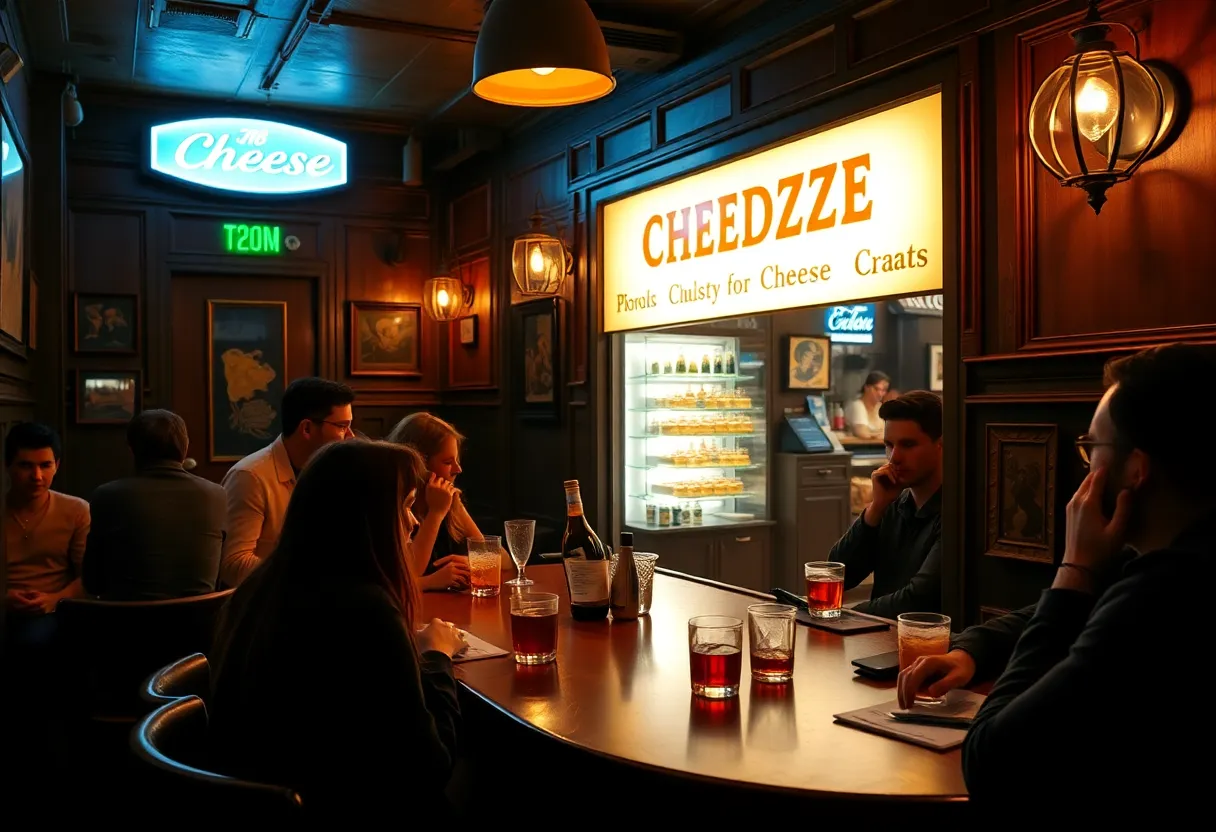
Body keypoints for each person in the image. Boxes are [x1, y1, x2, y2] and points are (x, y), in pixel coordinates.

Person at [962, 343, 1216, 809]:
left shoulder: (1162, 594)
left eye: (1093, 447)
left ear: (1136, 469)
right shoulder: (1174, 559)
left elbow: (990, 760)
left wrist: (1074, 567)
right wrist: (973, 648)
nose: (1088, 465)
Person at [209, 439, 465, 818]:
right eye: (406, 506)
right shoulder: (367, 609)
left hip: (255, 805)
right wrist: (437, 656)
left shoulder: (262, 586)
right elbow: (429, 766)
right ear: (366, 517)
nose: (413, 522)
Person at [219, 377, 355, 588]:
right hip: (265, 604)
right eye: (342, 426)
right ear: (307, 428)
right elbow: (233, 566)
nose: (350, 436)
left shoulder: (332, 472)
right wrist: (308, 574)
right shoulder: (249, 477)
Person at [82, 409, 226, 601]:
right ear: (185, 448)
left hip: (123, 618)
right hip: (200, 617)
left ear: (132, 450)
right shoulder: (216, 495)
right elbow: (218, 577)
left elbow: (93, 583)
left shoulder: (107, 496)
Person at [828, 391, 942, 618]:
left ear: (941, 445)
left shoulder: (958, 512)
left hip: (929, 638)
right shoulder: (893, 504)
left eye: (908, 444)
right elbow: (838, 575)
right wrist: (876, 508)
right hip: (879, 635)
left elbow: (918, 599)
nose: (894, 457)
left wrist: (846, 617)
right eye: (889, 445)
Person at [3, 423, 90, 647]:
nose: (37, 476)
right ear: (8, 466)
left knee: (34, 638)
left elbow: (89, 577)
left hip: (54, 609)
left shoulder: (76, 510)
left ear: (56, 465)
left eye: (45, 465)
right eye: (25, 466)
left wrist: (54, 599)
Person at [386, 413, 478, 593]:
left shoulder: (450, 499)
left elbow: (503, 560)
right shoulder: (393, 505)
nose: (458, 469)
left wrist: (474, 563)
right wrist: (436, 513)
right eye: (447, 462)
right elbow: (406, 575)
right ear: (419, 464)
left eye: (457, 460)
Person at [845, 371, 890, 439]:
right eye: (876, 389)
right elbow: (862, 433)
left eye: (883, 390)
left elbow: (888, 432)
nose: (880, 394)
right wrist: (879, 435)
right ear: (866, 388)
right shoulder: (857, 405)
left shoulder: (880, 407)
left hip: (880, 445)